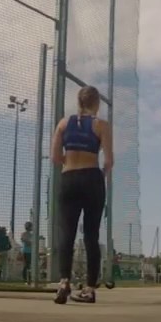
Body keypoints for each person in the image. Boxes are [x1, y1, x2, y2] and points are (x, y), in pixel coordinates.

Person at [50, 85, 113, 304]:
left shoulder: (64, 124)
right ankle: (89, 288)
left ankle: (64, 282)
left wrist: (70, 162)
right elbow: (108, 160)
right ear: (96, 104)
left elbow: (55, 157)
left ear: (78, 102)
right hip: (92, 178)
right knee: (91, 235)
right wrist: (101, 174)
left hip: (69, 178)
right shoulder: (101, 125)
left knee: (66, 233)